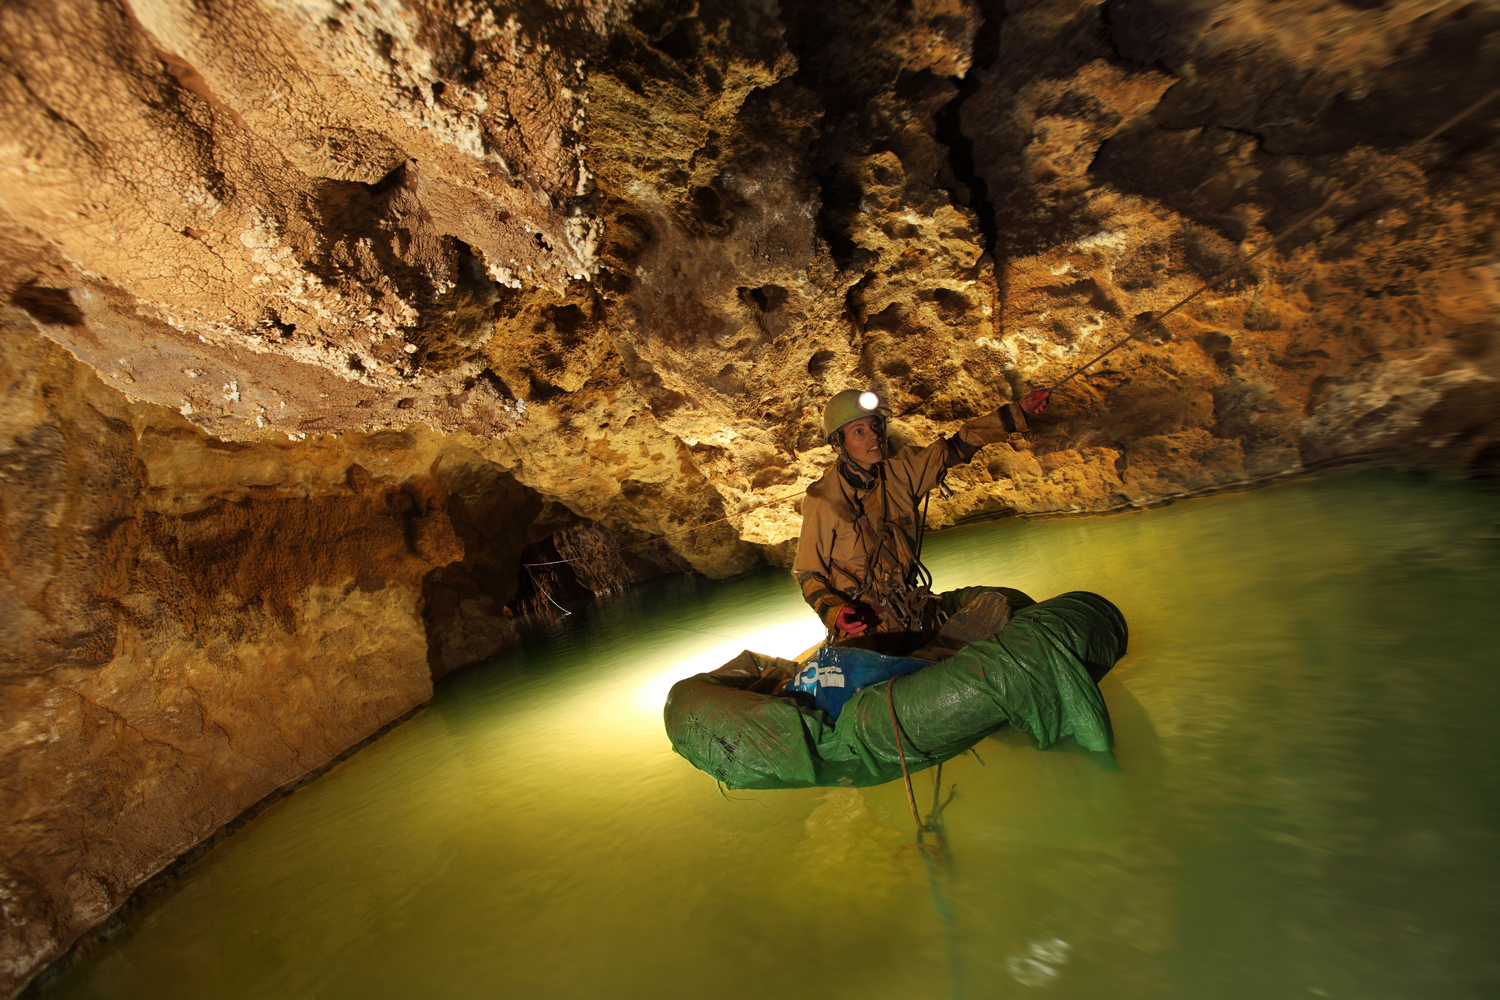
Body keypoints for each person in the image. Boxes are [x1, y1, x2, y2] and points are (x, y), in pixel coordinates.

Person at [792, 387, 1049, 650]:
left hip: (913, 612)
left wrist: (1016, 412)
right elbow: (809, 572)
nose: (874, 436)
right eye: (859, 431)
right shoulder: (823, 500)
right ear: (838, 444)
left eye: (875, 426)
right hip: (866, 631)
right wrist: (834, 612)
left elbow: (958, 445)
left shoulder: (901, 471)